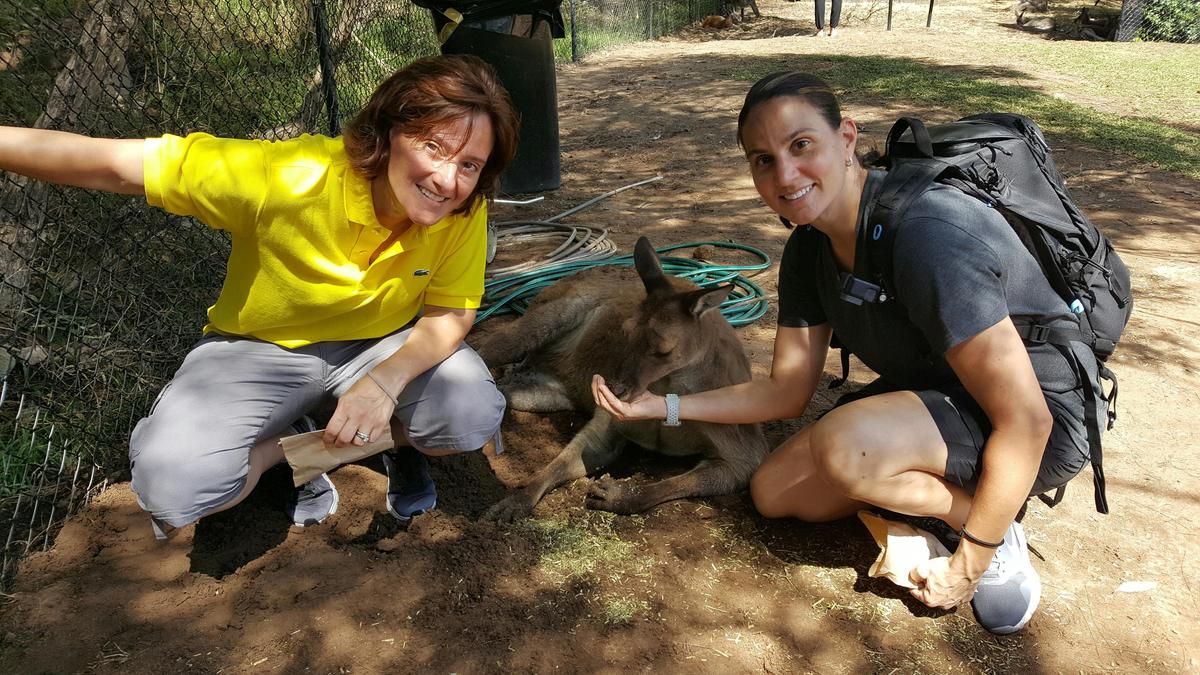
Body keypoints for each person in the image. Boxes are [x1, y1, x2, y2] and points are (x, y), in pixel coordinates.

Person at [592, 71, 1100, 635]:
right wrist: (659, 407)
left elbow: (1027, 420)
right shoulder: (810, 248)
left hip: (1043, 415)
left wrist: (968, 565)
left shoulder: (928, 234)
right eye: (762, 159)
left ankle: (990, 529)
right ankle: (937, 496)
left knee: (845, 448)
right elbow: (785, 392)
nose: (784, 175)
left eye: (800, 145)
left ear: (847, 138)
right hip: (942, 389)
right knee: (774, 492)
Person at [0, 54, 520, 538]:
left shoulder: (462, 211)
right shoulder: (288, 177)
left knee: (469, 413)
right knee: (174, 488)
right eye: (433, 147)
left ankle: (352, 439)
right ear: (388, 132)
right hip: (262, 347)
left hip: (378, 344)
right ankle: (291, 453)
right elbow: (115, 165)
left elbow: (450, 313)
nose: (447, 179)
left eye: (470, 165)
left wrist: (384, 385)